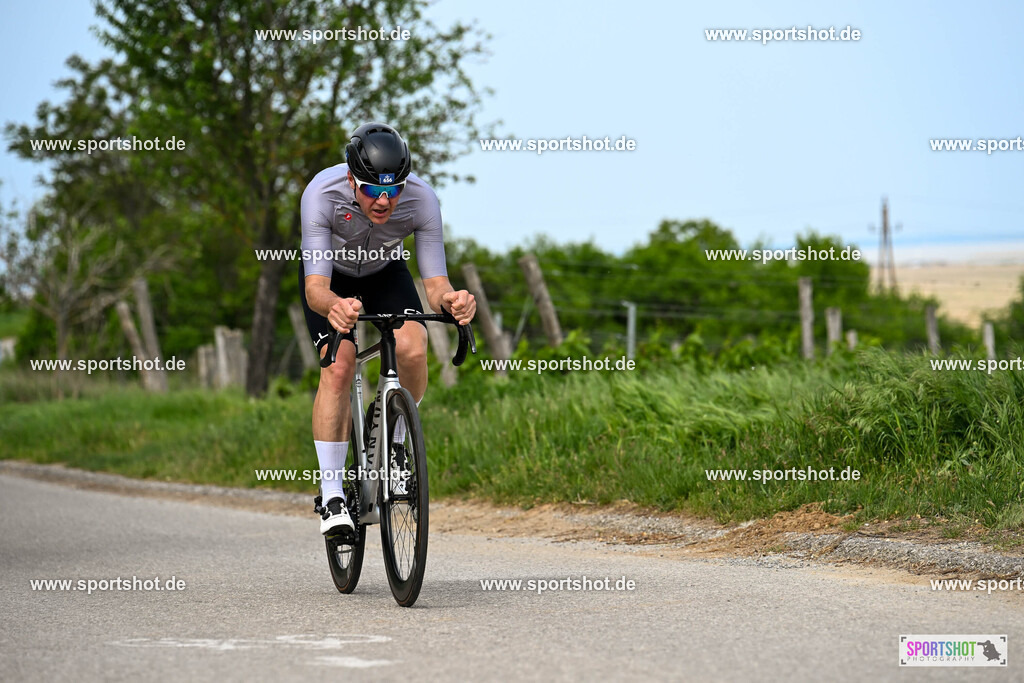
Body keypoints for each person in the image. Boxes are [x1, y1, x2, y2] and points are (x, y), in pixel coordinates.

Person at [298, 122, 476, 534]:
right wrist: (335, 307)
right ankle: (332, 494)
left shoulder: (424, 199)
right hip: (332, 279)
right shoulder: (320, 195)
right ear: (350, 178)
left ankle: (394, 444)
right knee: (340, 366)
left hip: (384, 272)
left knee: (414, 347)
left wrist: (452, 301)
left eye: (393, 189)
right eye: (371, 189)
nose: (383, 200)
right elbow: (314, 289)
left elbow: (435, 285)